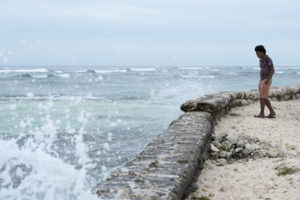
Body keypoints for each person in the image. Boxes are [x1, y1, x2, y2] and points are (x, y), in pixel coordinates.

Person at [254, 45, 276, 118]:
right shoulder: (261, 60)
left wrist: (268, 79)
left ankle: (267, 113)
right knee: (262, 97)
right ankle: (266, 113)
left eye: (257, 53)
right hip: (262, 79)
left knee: (263, 97)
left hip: (266, 79)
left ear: (262, 52)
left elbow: (272, 70)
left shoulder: (268, 59)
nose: (256, 55)